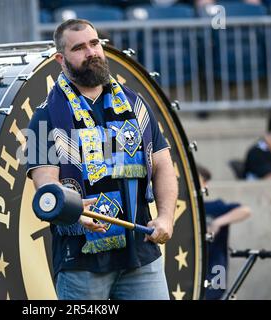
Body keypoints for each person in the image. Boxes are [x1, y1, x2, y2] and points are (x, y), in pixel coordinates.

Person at [26, 19, 178, 300]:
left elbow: (163, 165)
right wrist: (71, 208)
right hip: (81, 264)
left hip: (142, 256)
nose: (91, 52)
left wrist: (166, 217)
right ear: (61, 59)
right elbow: (46, 184)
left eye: (95, 44)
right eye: (79, 48)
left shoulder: (136, 105)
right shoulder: (45, 116)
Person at [197, 165, 251, 300]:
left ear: (205, 184)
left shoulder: (215, 206)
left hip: (215, 270)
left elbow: (245, 210)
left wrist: (217, 222)